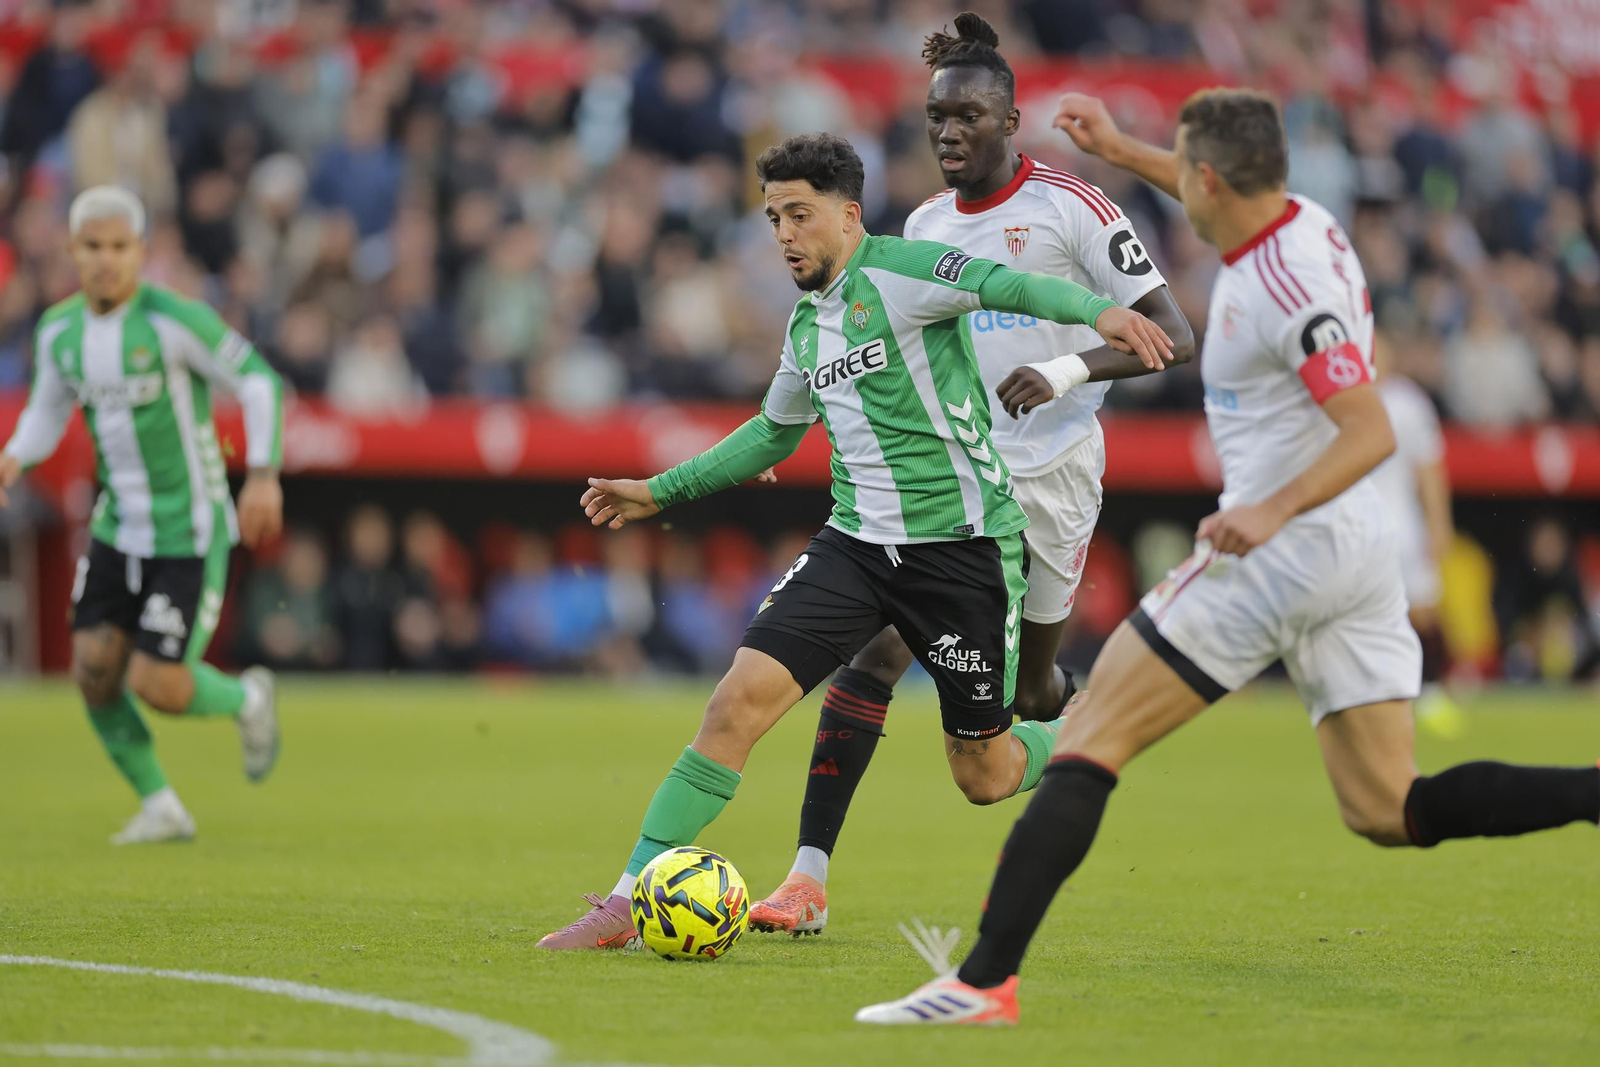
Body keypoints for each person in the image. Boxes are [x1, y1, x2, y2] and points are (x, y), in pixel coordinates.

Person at [856, 90, 1600, 1026]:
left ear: (1210, 179)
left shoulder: (1279, 287)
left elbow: (1369, 428)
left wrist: (1269, 510)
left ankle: (980, 983)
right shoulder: (1297, 221)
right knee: (1385, 805)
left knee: (1087, 738)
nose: (1180, 186)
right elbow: (1208, 188)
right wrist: (1124, 147)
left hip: (1283, 545)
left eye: (1180, 166)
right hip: (1357, 553)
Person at [536, 131, 1174, 950]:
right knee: (734, 703)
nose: (785, 235)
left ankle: (1083, 723)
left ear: (848, 214)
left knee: (983, 774)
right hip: (855, 548)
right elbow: (772, 433)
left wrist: (1102, 312)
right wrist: (659, 491)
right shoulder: (807, 326)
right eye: (772, 219)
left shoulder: (905, 271)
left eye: (799, 215)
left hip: (962, 551)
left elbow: (999, 280)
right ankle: (626, 902)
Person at [749, 11, 1195, 937]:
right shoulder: (923, 222)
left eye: (968, 117)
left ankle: (1088, 725)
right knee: (872, 654)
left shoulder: (1074, 208)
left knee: (1030, 702)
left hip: (1055, 480)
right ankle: (807, 877)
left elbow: (1174, 337)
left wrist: (1068, 368)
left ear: (1010, 118)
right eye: (936, 119)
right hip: (956, 479)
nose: (949, 134)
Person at [0, 186, 285, 846]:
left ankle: (250, 699)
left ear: (141, 252)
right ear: (71, 251)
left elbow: (259, 380)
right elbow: (47, 408)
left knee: (156, 681)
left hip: (189, 528)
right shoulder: (59, 331)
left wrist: (264, 473)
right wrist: (14, 455)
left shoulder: (172, 319)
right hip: (115, 526)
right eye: (92, 247)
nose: (104, 260)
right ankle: (161, 804)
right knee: (94, 671)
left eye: (118, 247)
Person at [1370, 330, 1462, 736]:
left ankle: (1432, 691)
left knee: (1422, 612)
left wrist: (1439, 525)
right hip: (1354, 527)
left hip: (1404, 526)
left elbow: (1429, 469)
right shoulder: (1334, 398)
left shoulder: (1408, 403)